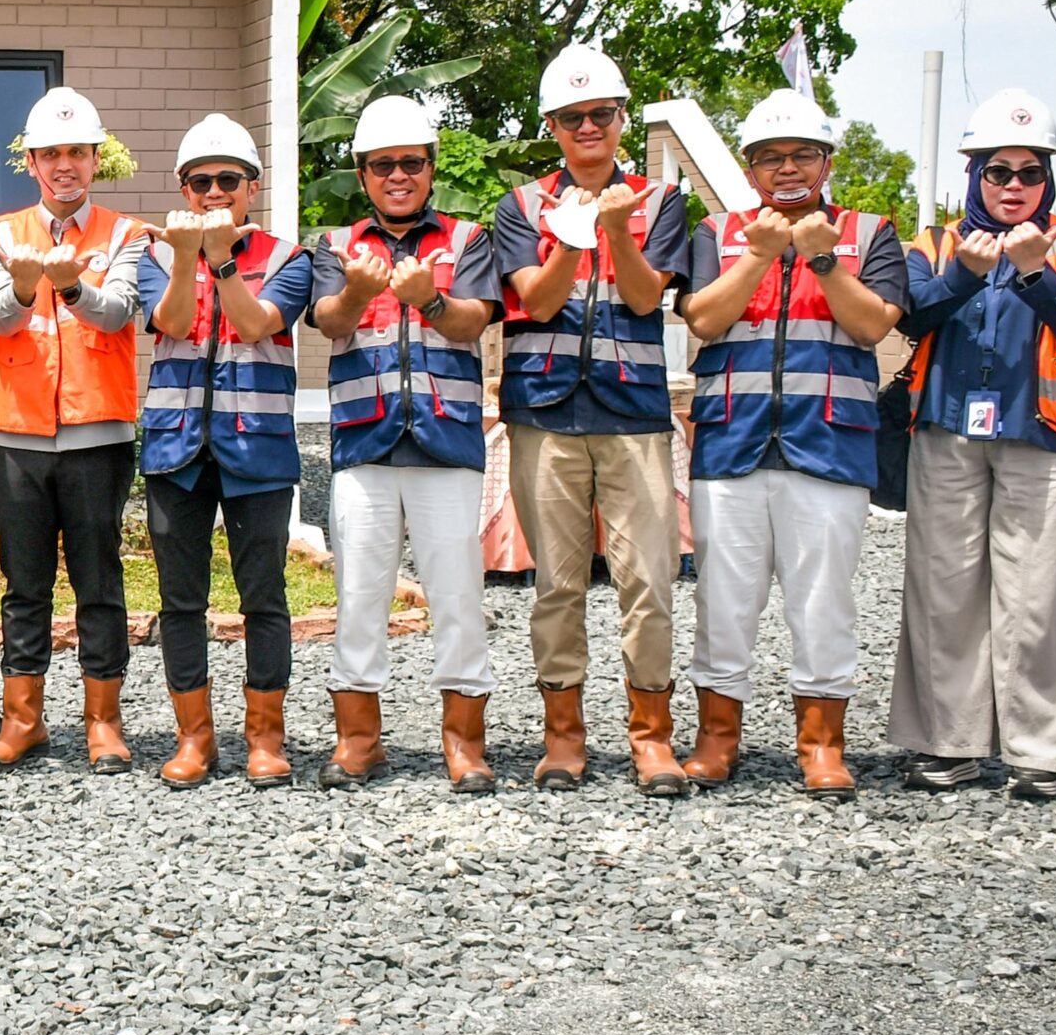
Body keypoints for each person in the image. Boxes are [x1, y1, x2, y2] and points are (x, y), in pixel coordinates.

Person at [677, 91, 905, 798]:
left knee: (823, 599)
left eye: (802, 154)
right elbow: (703, 320)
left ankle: (822, 745)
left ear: (828, 161)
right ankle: (718, 738)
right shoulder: (717, 231)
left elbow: (873, 328)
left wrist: (825, 262)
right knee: (724, 597)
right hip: (731, 443)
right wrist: (759, 258)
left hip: (828, 443)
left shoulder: (868, 234)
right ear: (749, 170)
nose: (787, 169)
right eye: (770, 157)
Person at [890, 89, 1056, 800]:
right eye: (998, 171)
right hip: (948, 433)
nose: (1014, 186)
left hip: (1051, 439)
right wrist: (966, 274)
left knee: (1044, 593)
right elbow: (911, 315)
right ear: (973, 175)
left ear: (1049, 180)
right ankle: (947, 743)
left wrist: (1035, 272)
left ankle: (1039, 751)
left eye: (1030, 173)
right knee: (943, 587)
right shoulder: (934, 245)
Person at [492, 43, 693, 797]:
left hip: (633, 412)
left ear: (620, 117)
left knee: (650, 580)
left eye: (601, 114)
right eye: (572, 116)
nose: (588, 127)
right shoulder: (520, 208)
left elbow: (646, 300)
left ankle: (651, 737)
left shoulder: (658, 201)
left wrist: (613, 229)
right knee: (557, 583)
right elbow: (536, 302)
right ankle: (563, 736)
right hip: (544, 410)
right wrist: (576, 237)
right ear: (552, 125)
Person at [307, 95, 504, 794]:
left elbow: (473, 320)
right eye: (383, 165)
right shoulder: (336, 246)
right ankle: (359, 739)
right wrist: (359, 294)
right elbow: (329, 322)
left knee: (456, 594)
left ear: (431, 166)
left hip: (446, 443)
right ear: (362, 173)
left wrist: (428, 300)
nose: (399, 176)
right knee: (361, 594)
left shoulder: (466, 237)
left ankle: (464, 742)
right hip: (365, 442)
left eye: (411, 163)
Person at [0, 85, 147, 774]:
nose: (64, 164)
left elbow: (120, 312)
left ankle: (104, 722)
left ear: (96, 160)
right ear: (32, 163)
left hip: (97, 434)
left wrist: (71, 287)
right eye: (51, 154)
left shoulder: (127, 236)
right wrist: (19, 286)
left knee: (99, 580)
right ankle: (24, 721)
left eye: (77, 152)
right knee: (24, 583)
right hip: (16, 435)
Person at [134, 115, 309, 789]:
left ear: (251, 189)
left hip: (257, 449)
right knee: (181, 601)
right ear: (182, 187)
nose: (213, 192)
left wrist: (222, 260)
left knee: (263, 595)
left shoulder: (289, 259)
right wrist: (187, 257)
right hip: (177, 449)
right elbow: (172, 322)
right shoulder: (153, 257)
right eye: (199, 181)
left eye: (226, 180)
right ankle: (193, 738)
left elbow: (256, 321)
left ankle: (265, 737)